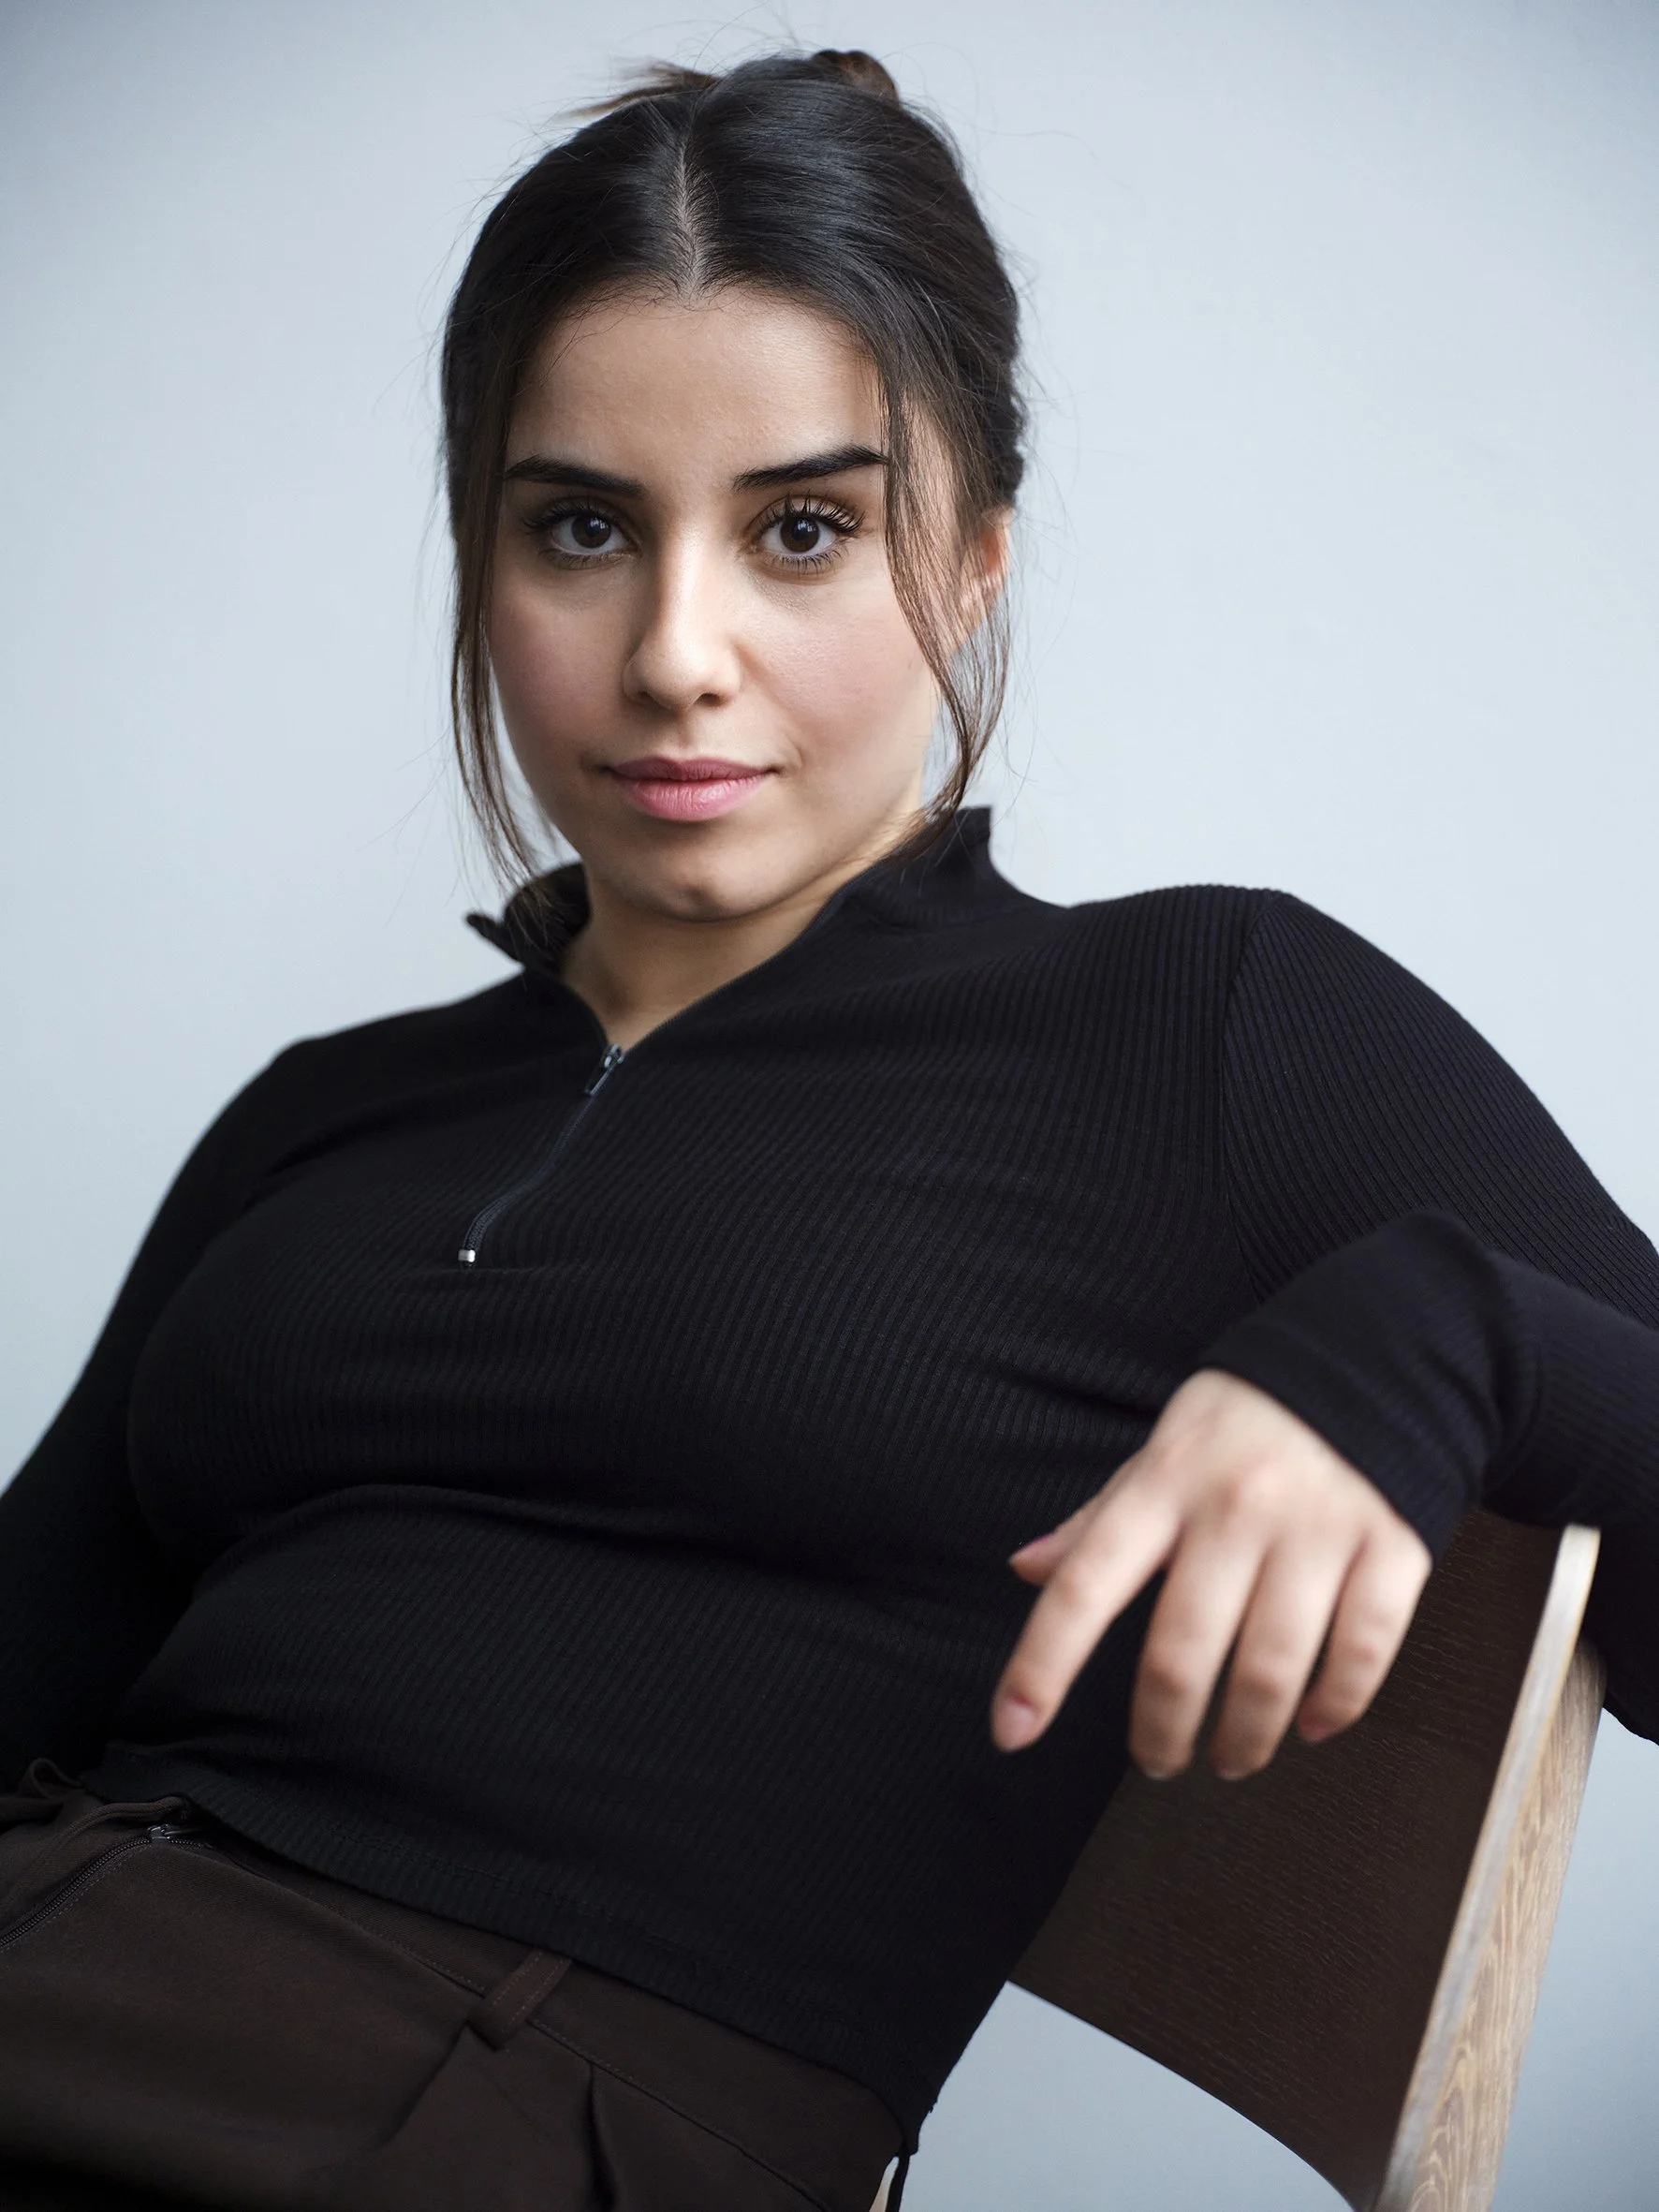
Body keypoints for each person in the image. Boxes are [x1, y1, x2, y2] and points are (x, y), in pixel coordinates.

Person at [1, 44, 1657, 2212]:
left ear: (970, 558)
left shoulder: (1200, 1025)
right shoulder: (325, 1115)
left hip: (499, 2125)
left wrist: (1458, 1333)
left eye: (803, 529)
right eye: (579, 526)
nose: (674, 651)